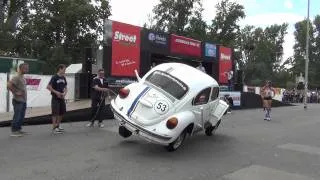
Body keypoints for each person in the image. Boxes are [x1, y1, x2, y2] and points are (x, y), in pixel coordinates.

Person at [7, 63, 29, 137]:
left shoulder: (22, 77)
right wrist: (16, 92)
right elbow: (9, 85)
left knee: (21, 116)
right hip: (18, 100)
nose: (27, 70)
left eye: (27, 68)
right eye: (25, 68)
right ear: (21, 69)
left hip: (23, 100)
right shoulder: (16, 77)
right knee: (17, 115)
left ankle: (18, 129)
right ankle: (14, 131)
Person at [47, 64, 68, 134]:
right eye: (64, 69)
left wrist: (64, 93)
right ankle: (54, 128)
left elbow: (65, 87)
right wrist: (56, 93)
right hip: (55, 98)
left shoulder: (63, 77)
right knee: (55, 113)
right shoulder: (54, 77)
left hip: (62, 98)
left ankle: (58, 126)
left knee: (62, 112)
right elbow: (48, 87)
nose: (65, 71)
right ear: (60, 69)